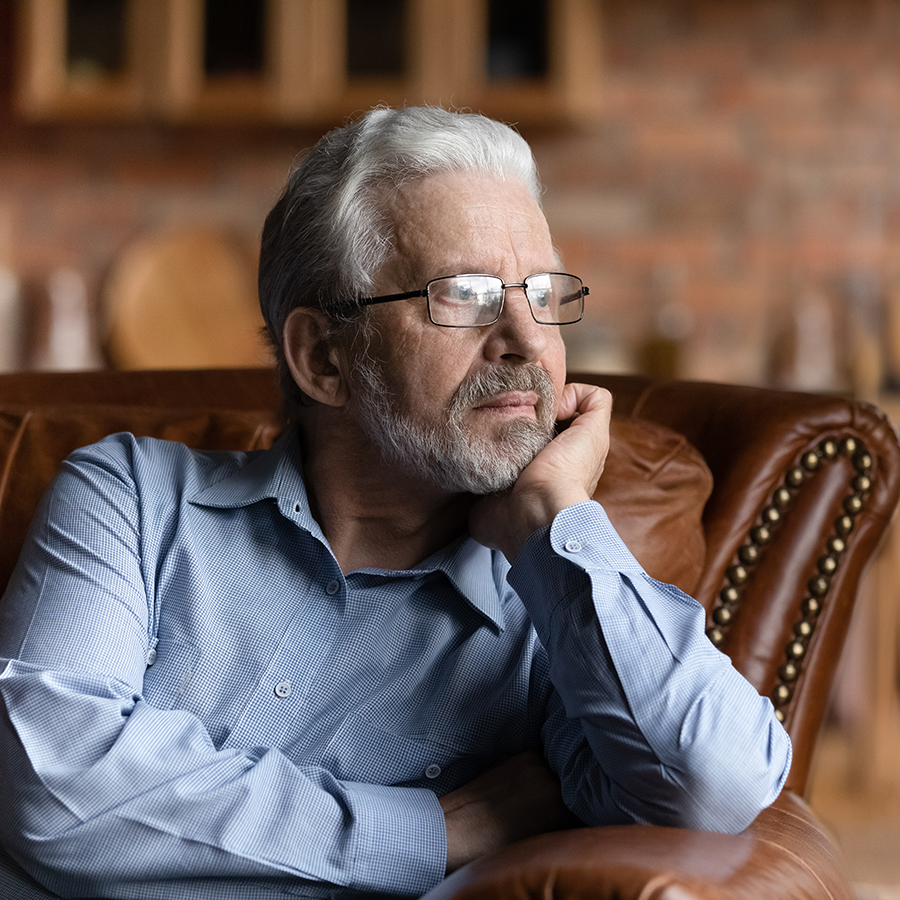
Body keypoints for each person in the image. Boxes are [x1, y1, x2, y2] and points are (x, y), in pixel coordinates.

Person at [0, 106, 791, 900]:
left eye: (542, 293)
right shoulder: (130, 501)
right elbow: (51, 791)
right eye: (467, 295)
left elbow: (717, 787)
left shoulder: (558, 623)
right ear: (323, 357)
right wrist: (437, 830)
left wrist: (555, 519)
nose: (526, 337)